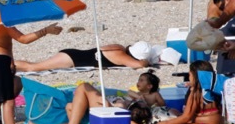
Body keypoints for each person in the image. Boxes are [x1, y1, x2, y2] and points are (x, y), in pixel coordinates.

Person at [0, 23, 62, 124]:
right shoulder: (4, 24)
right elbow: (23, 39)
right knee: (8, 102)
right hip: (0, 61)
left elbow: (1, 43)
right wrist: (45, 30)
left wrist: (11, 59)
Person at [61, 84, 157, 124]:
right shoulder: (127, 118)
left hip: (104, 120)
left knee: (84, 86)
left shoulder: (123, 115)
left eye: (131, 102)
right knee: (70, 106)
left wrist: (113, 106)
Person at [14, 41, 156, 72]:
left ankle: (9, 64)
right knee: (33, 68)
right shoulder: (120, 55)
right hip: (72, 60)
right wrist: (145, 62)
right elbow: (139, 65)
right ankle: (5, 65)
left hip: (73, 54)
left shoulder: (118, 47)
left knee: (35, 64)